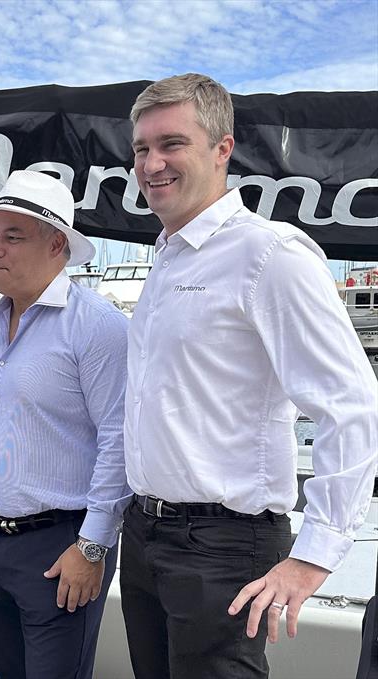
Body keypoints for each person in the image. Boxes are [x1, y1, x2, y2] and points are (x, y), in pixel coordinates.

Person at [121, 73, 378, 679]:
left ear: (221, 149)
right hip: (146, 533)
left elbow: (352, 403)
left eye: (171, 144)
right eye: (140, 149)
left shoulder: (270, 255)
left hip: (222, 547)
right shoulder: (168, 258)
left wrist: (315, 555)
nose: (151, 163)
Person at [0, 170, 131, 679]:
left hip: (63, 544)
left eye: (13, 237)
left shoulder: (97, 325)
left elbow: (118, 441)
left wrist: (93, 545)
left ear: (58, 245)